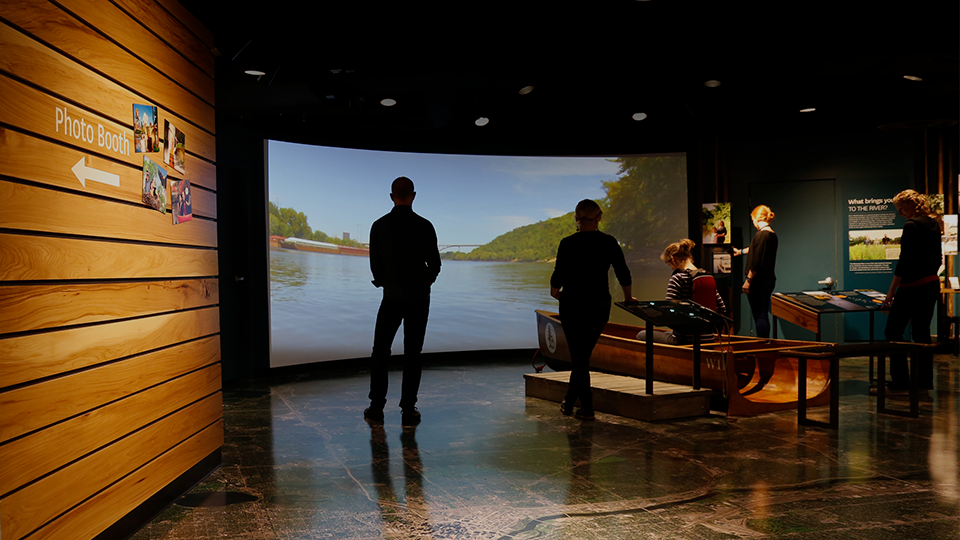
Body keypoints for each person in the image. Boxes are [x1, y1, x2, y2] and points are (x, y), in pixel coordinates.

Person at [550, 199, 636, 420]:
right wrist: (628, 297)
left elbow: (558, 275)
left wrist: (555, 291)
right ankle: (575, 403)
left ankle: (581, 404)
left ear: (576, 219)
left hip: (572, 304)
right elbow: (623, 272)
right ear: (599, 218)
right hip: (599, 305)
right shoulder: (609, 242)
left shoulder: (567, 243)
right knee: (582, 356)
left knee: (579, 356)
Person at [365, 177, 441, 426]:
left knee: (380, 352)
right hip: (419, 299)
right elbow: (435, 264)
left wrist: (386, 283)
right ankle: (408, 409)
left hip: (391, 298)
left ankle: (376, 407)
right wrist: (425, 284)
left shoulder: (379, 226)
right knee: (413, 354)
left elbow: (375, 266)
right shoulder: (425, 226)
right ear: (413, 196)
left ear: (391, 196)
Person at [880, 189, 941, 393]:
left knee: (893, 331)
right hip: (931, 284)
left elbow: (904, 262)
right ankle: (924, 382)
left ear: (912, 204)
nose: (900, 213)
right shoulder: (933, 224)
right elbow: (938, 258)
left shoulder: (911, 226)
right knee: (922, 332)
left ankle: (900, 382)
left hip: (912, 287)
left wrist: (891, 293)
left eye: (901, 208)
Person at [637, 239, 728, 344]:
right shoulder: (707, 277)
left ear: (673, 258)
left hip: (684, 340)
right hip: (708, 339)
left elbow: (669, 313)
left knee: (642, 334)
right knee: (666, 333)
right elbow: (722, 308)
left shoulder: (678, 278)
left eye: (669, 264)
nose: (671, 268)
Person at [733, 205, 778, 338]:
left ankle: (762, 344)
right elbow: (756, 248)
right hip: (768, 280)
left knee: (759, 315)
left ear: (757, 219)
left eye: (752, 220)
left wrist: (748, 280)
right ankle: (765, 342)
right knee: (763, 314)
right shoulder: (771, 235)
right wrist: (740, 251)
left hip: (758, 281)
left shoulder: (761, 235)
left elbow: (756, 260)